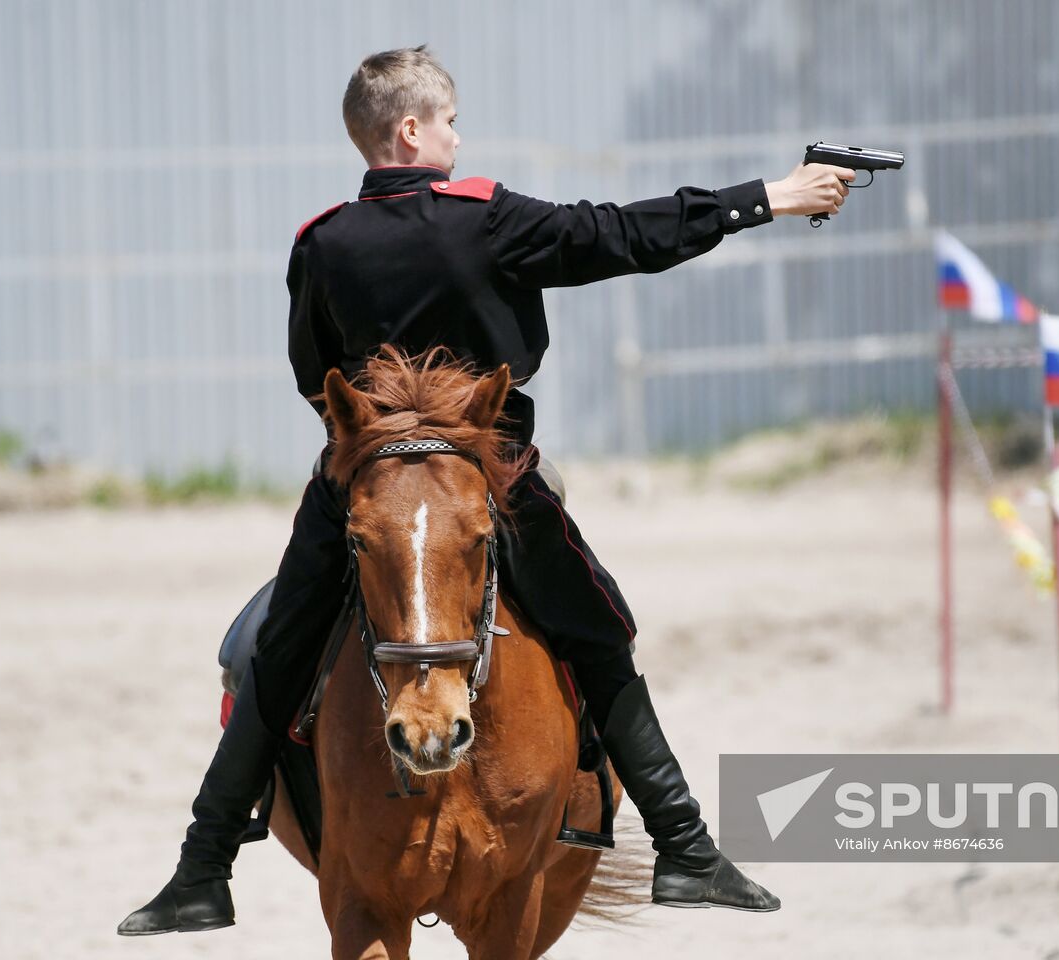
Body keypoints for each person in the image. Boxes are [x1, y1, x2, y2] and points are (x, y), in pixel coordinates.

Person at [119, 45, 853, 936]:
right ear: (413, 129)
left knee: (276, 651)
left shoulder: (319, 243)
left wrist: (375, 442)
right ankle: (686, 848)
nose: (459, 139)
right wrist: (767, 197)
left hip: (367, 473)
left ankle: (202, 868)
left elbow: (313, 372)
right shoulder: (487, 221)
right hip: (490, 472)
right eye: (452, 122)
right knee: (597, 630)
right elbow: (622, 234)